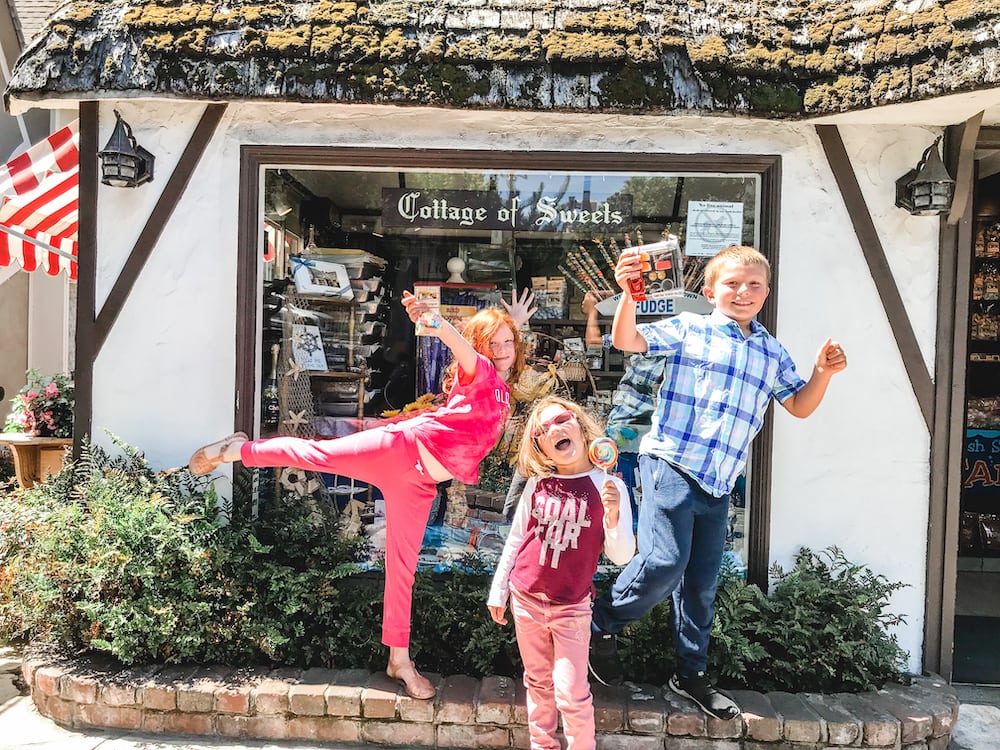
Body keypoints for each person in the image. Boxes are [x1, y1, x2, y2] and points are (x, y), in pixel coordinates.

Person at [188, 291, 534, 700]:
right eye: (492, 342)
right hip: (401, 449)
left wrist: (515, 324)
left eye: (507, 342)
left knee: (403, 569)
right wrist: (435, 321)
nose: (501, 349)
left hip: (421, 481)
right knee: (316, 456)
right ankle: (236, 450)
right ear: (479, 349)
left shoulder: (502, 388)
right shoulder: (480, 373)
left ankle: (399, 660)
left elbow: (501, 349)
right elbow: (461, 345)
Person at [588, 245, 848, 721]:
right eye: (731, 283)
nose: (742, 292)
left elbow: (799, 405)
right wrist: (627, 294)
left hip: (719, 481)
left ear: (766, 293)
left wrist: (822, 374)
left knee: (702, 585)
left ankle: (690, 676)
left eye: (753, 285)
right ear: (709, 291)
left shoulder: (771, 351)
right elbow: (628, 341)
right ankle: (600, 623)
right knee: (666, 561)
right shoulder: (690, 327)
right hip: (671, 462)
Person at [487, 396, 635, 750]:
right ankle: (543, 745)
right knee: (537, 682)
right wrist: (499, 589)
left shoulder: (608, 486)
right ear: (540, 447)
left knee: (571, 692)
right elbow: (517, 538)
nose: (553, 430)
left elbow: (621, 555)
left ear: (582, 428)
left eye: (560, 420)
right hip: (525, 598)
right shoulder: (539, 484)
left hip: (572, 606)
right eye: (542, 431)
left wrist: (613, 517)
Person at [581, 290, 663, 527]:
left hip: (629, 430)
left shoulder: (643, 339)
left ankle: (630, 535)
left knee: (624, 490)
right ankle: (636, 536)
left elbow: (594, 341)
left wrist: (595, 311)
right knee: (640, 492)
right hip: (647, 434)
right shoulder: (675, 343)